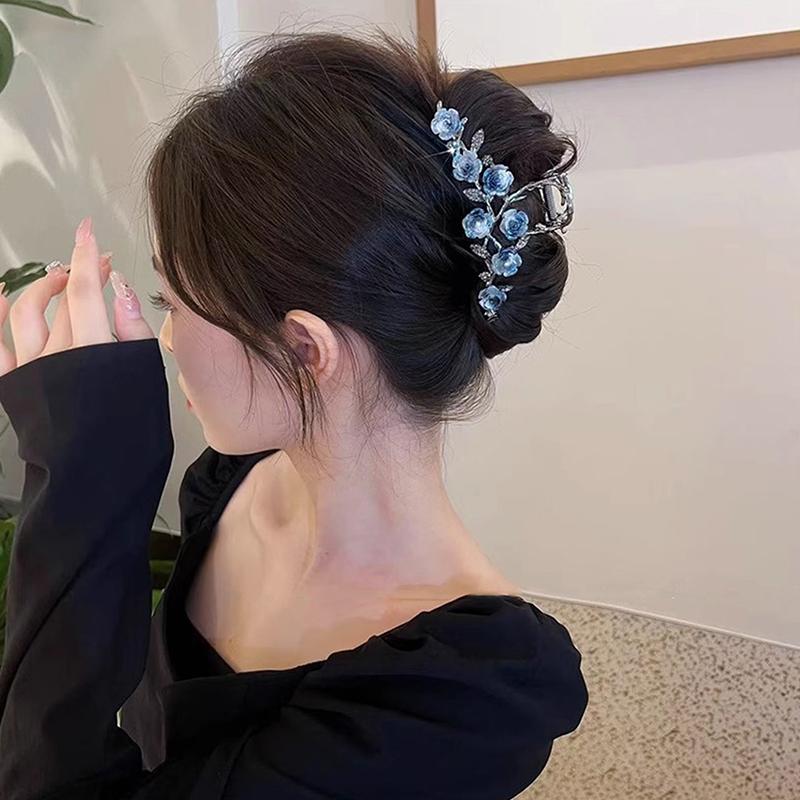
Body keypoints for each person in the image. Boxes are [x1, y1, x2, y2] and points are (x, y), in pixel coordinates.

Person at [0, 29, 587, 800]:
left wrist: (81, 478)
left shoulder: (461, 702)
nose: (168, 338)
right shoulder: (229, 484)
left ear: (306, 347)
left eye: (173, 304)